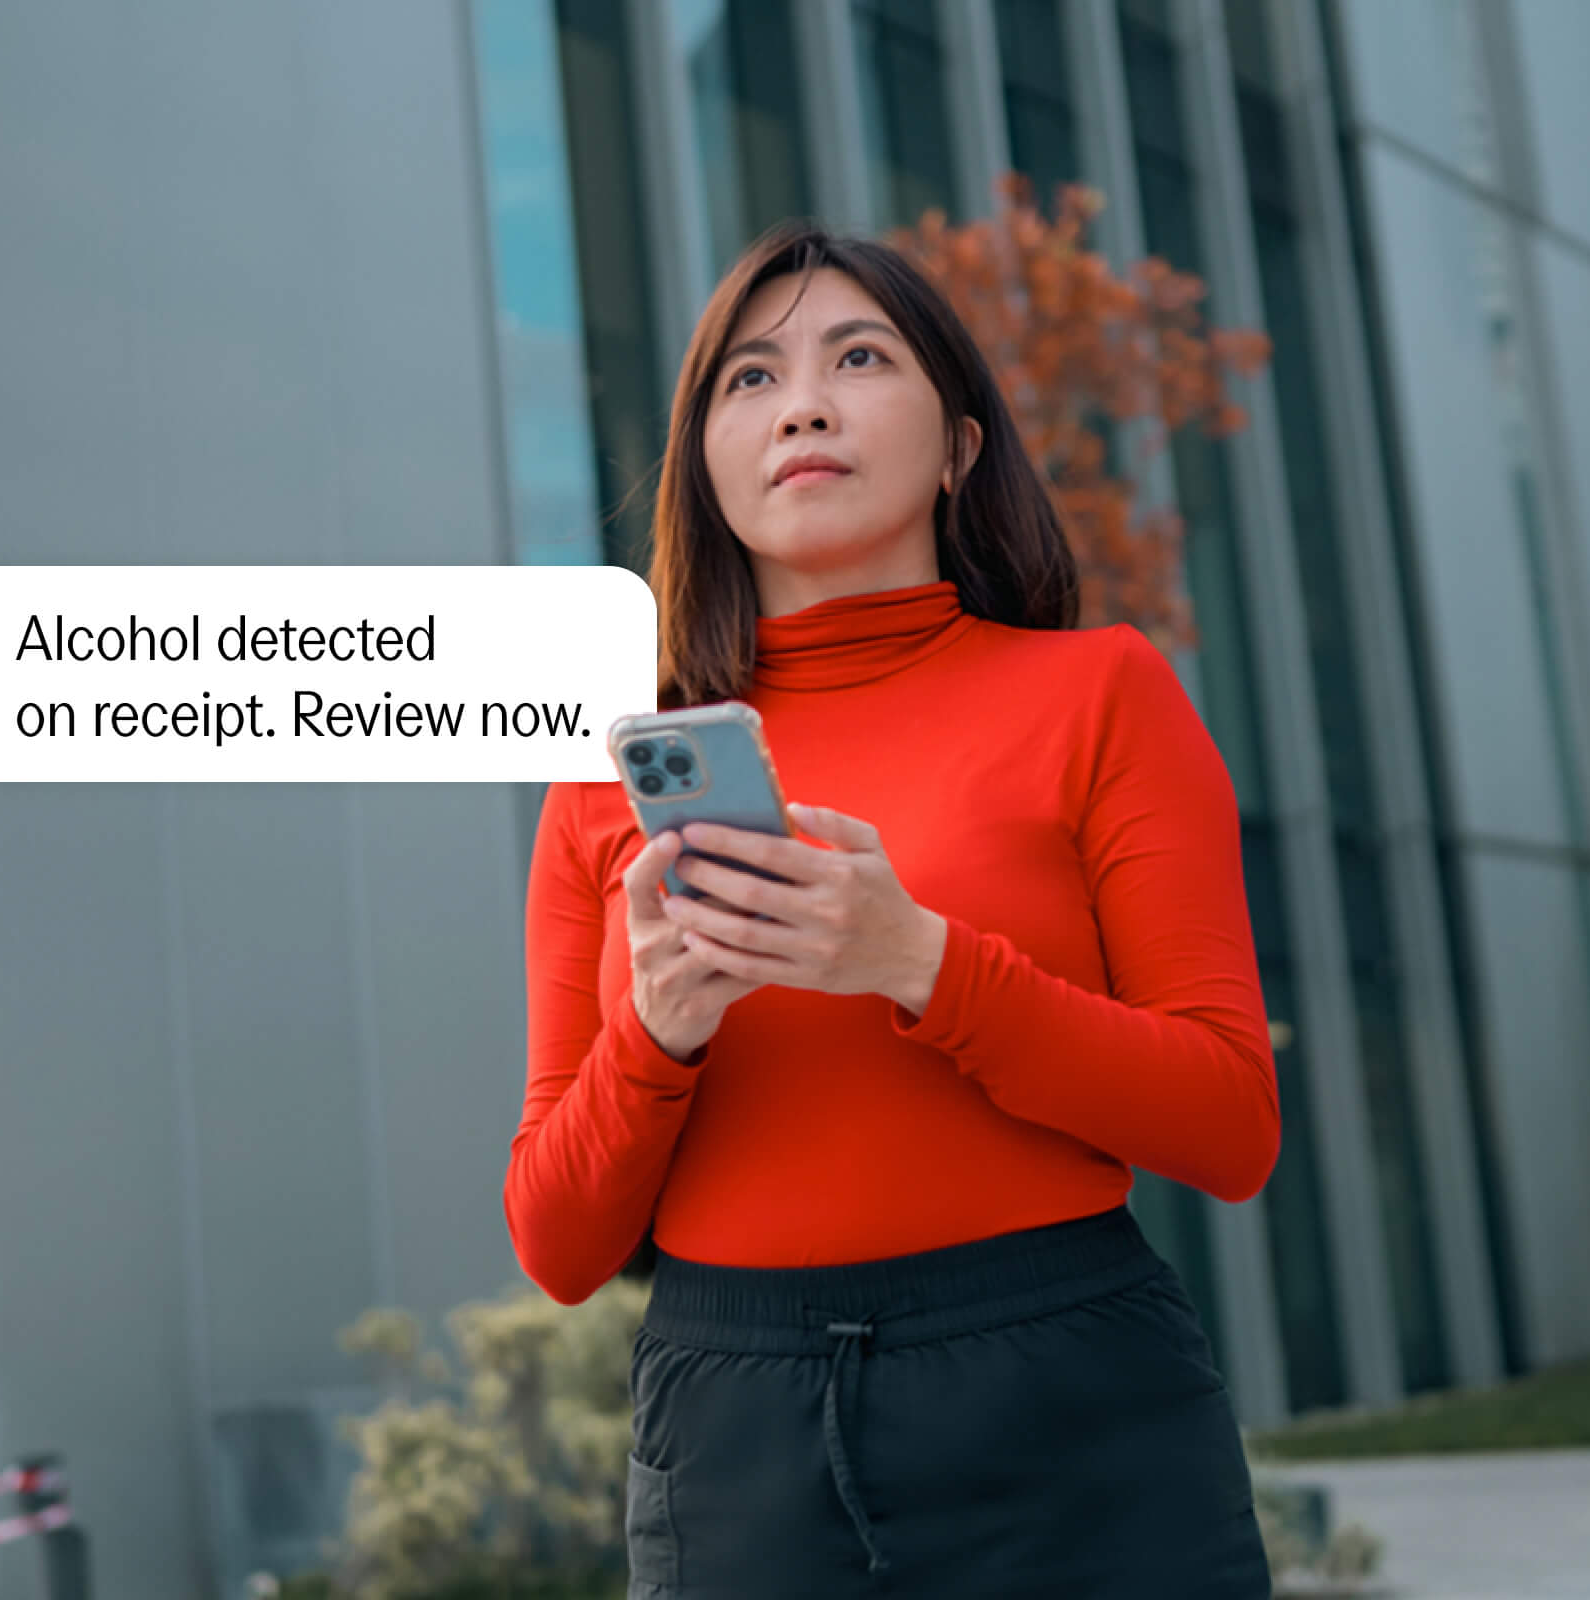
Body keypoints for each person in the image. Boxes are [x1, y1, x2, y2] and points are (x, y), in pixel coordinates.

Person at [504, 218, 1281, 1599]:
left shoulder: (1100, 694)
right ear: (707, 464)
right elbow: (558, 1245)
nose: (802, 400)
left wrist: (919, 961)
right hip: (735, 1441)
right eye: (750, 378)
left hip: (1068, 1405)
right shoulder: (605, 782)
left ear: (961, 444)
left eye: (858, 357)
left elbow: (1229, 1123)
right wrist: (660, 1038)